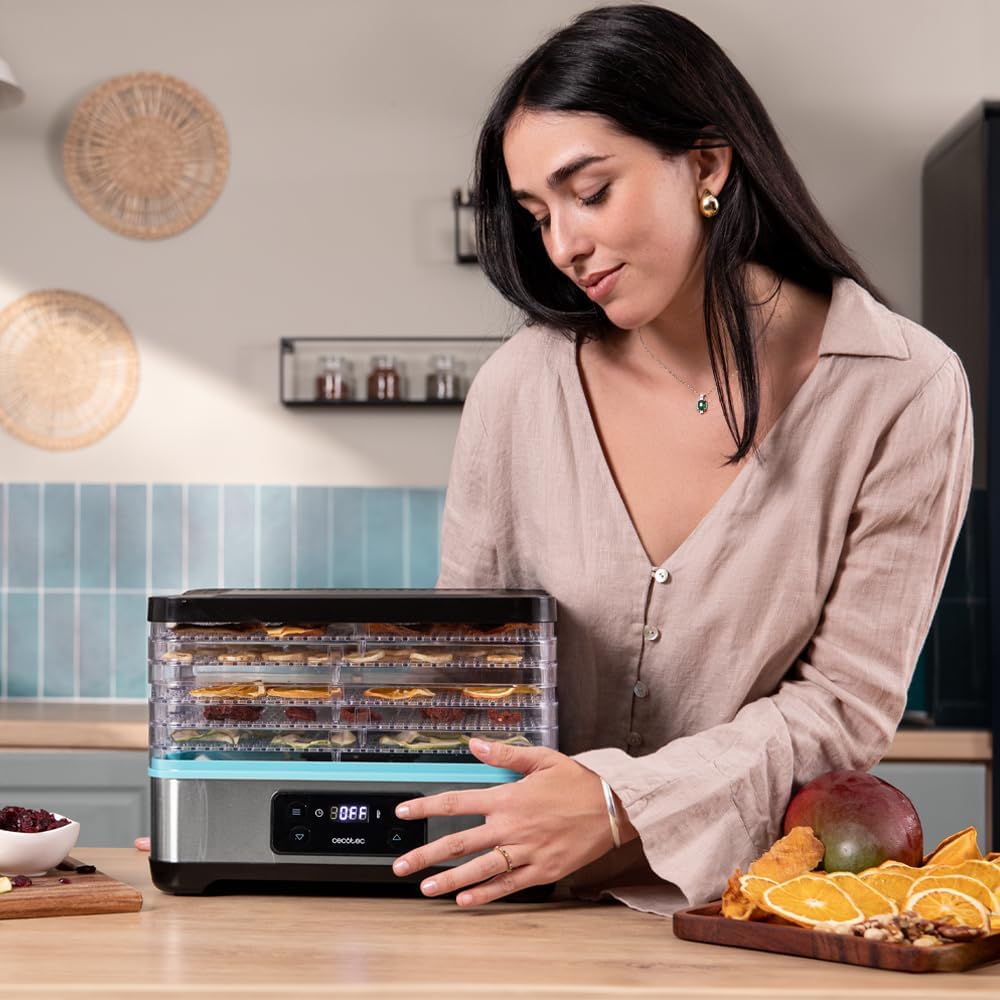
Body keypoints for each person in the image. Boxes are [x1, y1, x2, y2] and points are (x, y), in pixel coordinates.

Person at [389, 4, 973, 914]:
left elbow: (845, 710)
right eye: (537, 214)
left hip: (745, 914)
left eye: (590, 192)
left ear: (706, 163)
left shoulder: (905, 389)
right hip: (516, 909)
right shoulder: (518, 388)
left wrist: (624, 807)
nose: (563, 246)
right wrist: (290, 812)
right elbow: (470, 678)